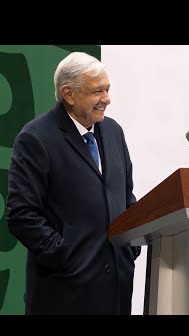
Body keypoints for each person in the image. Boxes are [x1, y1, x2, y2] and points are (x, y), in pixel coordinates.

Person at [6, 52, 141, 315]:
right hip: (64, 293)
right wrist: (64, 256)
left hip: (116, 289)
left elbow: (126, 197)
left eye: (108, 89)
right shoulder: (36, 138)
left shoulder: (114, 132)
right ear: (68, 94)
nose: (107, 99)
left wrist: (129, 248)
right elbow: (21, 215)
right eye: (97, 91)